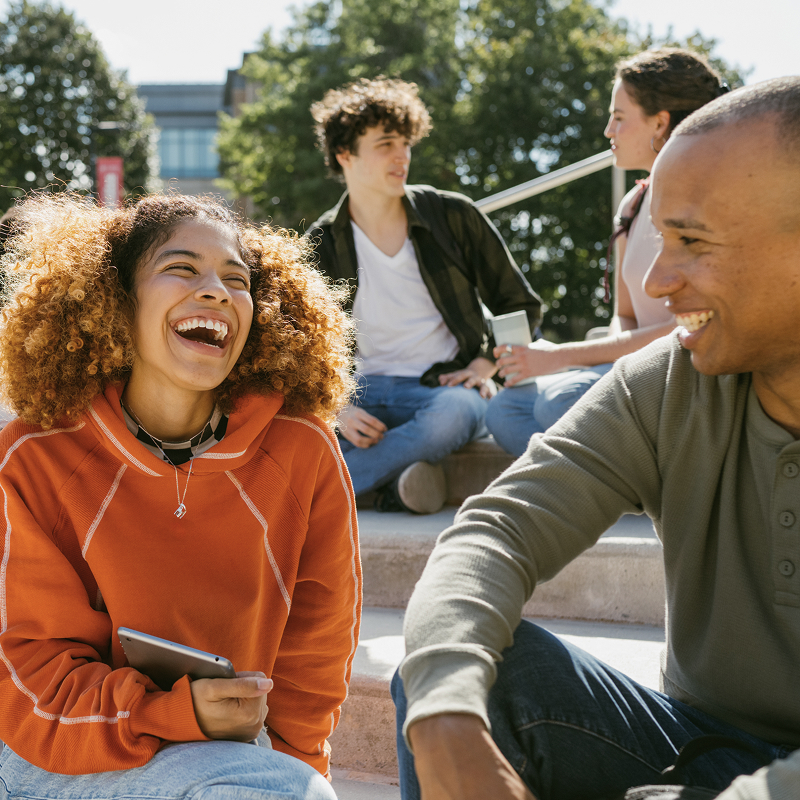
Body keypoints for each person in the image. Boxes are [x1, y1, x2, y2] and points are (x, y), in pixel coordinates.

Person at [393, 76, 800, 800]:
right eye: (660, 235)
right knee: (462, 668)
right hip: (699, 746)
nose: (656, 279)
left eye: (691, 241)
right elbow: (496, 532)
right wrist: (444, 718)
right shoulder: (670, 382)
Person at [0, 193, 361, 799]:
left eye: (237, 279)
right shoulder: (32, 454)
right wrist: (172, 714)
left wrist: (297, 774)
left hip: (220, 755)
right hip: (49, 747)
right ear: (116, 299)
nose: (217, 290)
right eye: (182, 268)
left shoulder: (305, 450)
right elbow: (29, 676)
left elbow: (314, 657)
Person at [306, 77, 542, 513]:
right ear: (345, 156)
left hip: (439, 391)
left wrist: (486, 361)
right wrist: (334, 407)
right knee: (296, 422)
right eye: (386, 144)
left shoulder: (452, 217)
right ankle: (392, 489)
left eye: (406, 143)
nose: (403, 156)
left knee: (458, 412)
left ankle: (324, 498)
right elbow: (299, 345)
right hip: (358, 395)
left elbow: (520, 303)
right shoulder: (321, 242)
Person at [486, 48, 729, 456]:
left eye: (618, 117)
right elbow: (625, 315)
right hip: (635, 370)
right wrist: (613, 367)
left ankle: (608, 481)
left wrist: (564, 356)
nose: (607, 131)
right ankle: (626, 478)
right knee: (505, 411)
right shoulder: (631, 208)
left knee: (559, 399)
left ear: (660, 122)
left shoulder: (708, 204)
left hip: (687, 372)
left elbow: (692, 325)